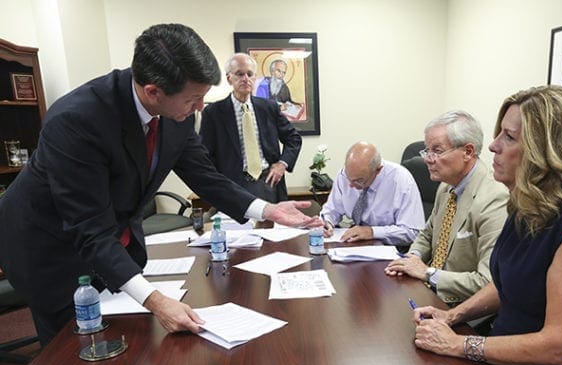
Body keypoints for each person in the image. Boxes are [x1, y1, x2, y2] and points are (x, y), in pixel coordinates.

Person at [0, 24, 320, 346]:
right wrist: (154, 299)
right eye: (194, 99)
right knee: (73, 348)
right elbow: (90, 229)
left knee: (127, 340)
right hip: (49, 247)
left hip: (109, 239)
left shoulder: (173, 112)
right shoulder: (76, 120)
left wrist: (268, 209)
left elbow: (205, 176)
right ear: (153, 92)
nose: (200, 108)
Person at [411, 86, 562, 365]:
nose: (493, 146)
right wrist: (452, 316)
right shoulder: (529, 207)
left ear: (548, 151)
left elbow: (560, 348)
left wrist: (460, 344)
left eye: (509, 137)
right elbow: (506, 285)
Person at [384, 111, 508, 305]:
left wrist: (428, 273)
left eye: (437, 150)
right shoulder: (446, 186)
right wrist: (411, 258)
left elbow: (488, 282)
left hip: (463, 306)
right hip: (428, 293)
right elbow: (426, 235)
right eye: (427, 150)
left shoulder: (495, 199)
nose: (427, 159)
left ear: (467, 151)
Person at [200, 53, 301, 203]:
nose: (245, 79)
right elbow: (206, 154)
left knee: (271, 226)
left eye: (250, 74)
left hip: (268, 182)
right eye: (240, 74)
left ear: (254, 78)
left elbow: (293, 138)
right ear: (229, 78)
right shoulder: (213, 112)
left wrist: (282, 164)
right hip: (233, 186)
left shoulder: (268, 107)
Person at [320, 141, 425, 246]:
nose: (351, 185)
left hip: (390, 249)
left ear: (378, 170)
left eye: (359, 180)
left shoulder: (400, 180)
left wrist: (372, 232)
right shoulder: (346, 174)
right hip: (356, 244)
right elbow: (332, 209)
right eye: (348, 178)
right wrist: (327, 222)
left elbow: (412, 232)